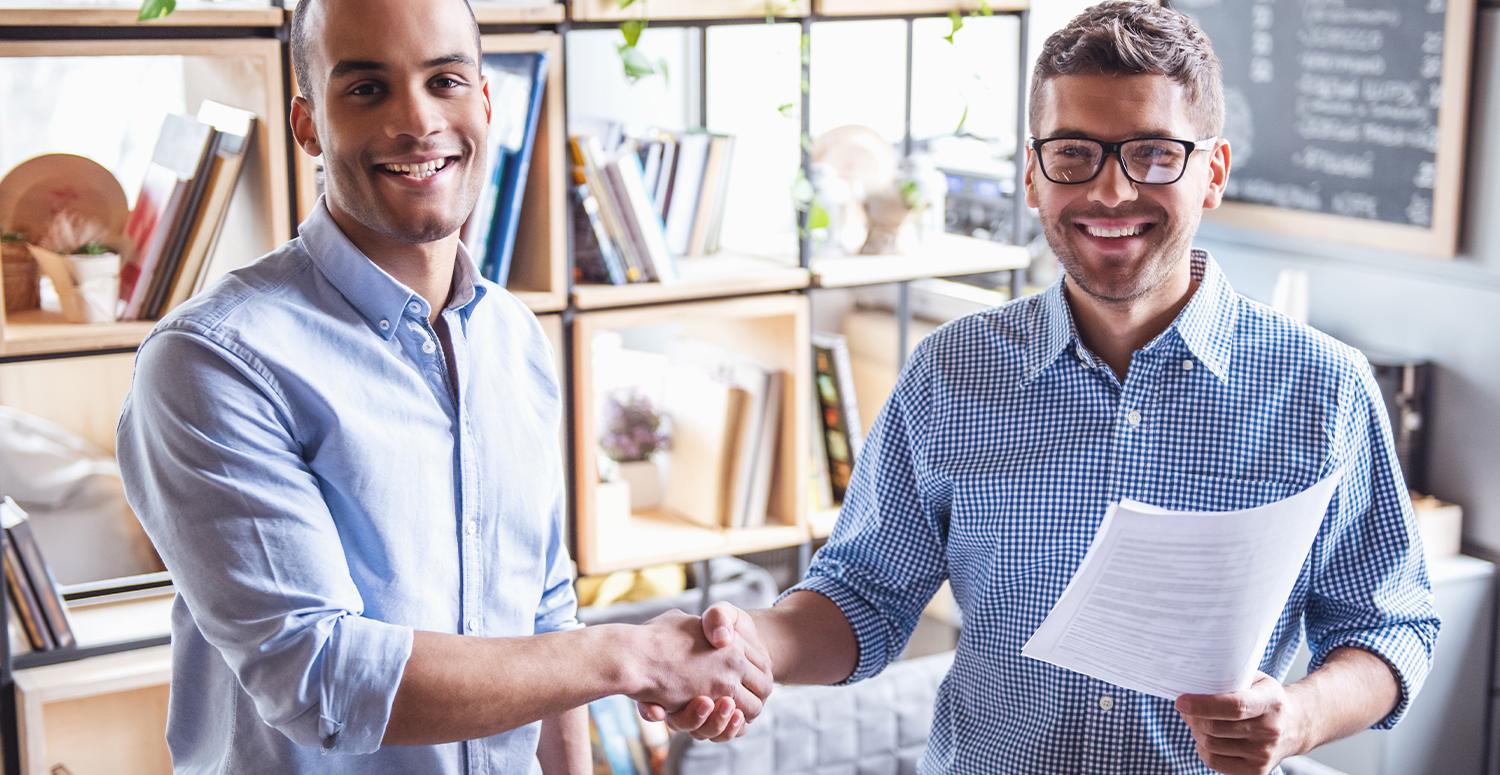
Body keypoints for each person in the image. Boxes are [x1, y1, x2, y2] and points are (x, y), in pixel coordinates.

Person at [660, 4, 1440, 774]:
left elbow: (1390, 626)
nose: (1109, 192)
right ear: (1033, 175)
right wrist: (749, 646)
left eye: (1154, 154)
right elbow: (864, 594)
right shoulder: (949, 373)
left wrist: (1299, 716)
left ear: (1213, 173)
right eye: (1075, 154)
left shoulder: (1322, 388)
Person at [115, 0, 766, 772]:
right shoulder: (211, 361)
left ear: (486, 102)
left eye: (446, 80)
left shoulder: (515, 337)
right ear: (308, 126)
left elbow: (545, 615)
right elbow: (317, 675)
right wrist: (631, 655)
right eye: (365, 89)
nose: (418, 121)